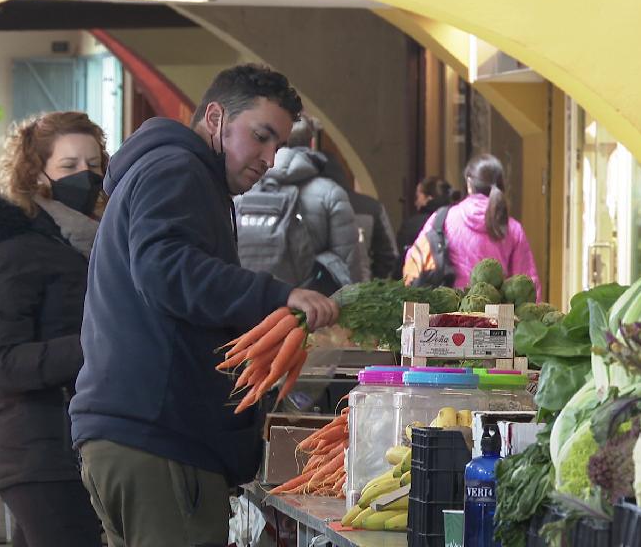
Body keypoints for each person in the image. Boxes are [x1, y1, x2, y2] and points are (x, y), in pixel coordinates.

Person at [69, 64, 339, 546]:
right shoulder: (179, 170)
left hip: (131, 436)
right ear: (215, 117)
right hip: (160, 441)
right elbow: (165, 270)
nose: (269, 159)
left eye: (277, 146)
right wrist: (276, 295)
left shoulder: (170, 173)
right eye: (260, 137)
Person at [0, 111, 108, 546]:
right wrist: (98, 346)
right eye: (69, 166)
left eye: (95, 165)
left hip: (72, 444)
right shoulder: (11, 245)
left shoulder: (87, 240)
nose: (86, 176)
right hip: (38, 449)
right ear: (34, 170)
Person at [235, 116, 360, 295]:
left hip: (249, 301)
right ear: (312, 141)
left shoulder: (244, 190)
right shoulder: (331, 193)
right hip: (309, 310)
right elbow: (348, 266)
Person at [402, 153, 541, 298]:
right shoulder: (512, 228)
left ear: (469, 183)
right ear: (501, 183)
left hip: (448, 313)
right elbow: (527, 284)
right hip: (497, 317)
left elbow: (413, 260)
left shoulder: (443, 219)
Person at [320, 153, 398, 280]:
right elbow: (389, 256)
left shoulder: (309, 207)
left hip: (320, 294)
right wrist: (373, 286)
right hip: (362, 292)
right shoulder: (372, 207)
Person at [393, 176, 456, 278]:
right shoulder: (457, 220)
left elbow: (402, 259)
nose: (415, 202)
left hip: (423, 281)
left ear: (428, 197)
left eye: (418, 196)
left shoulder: (413, 224)